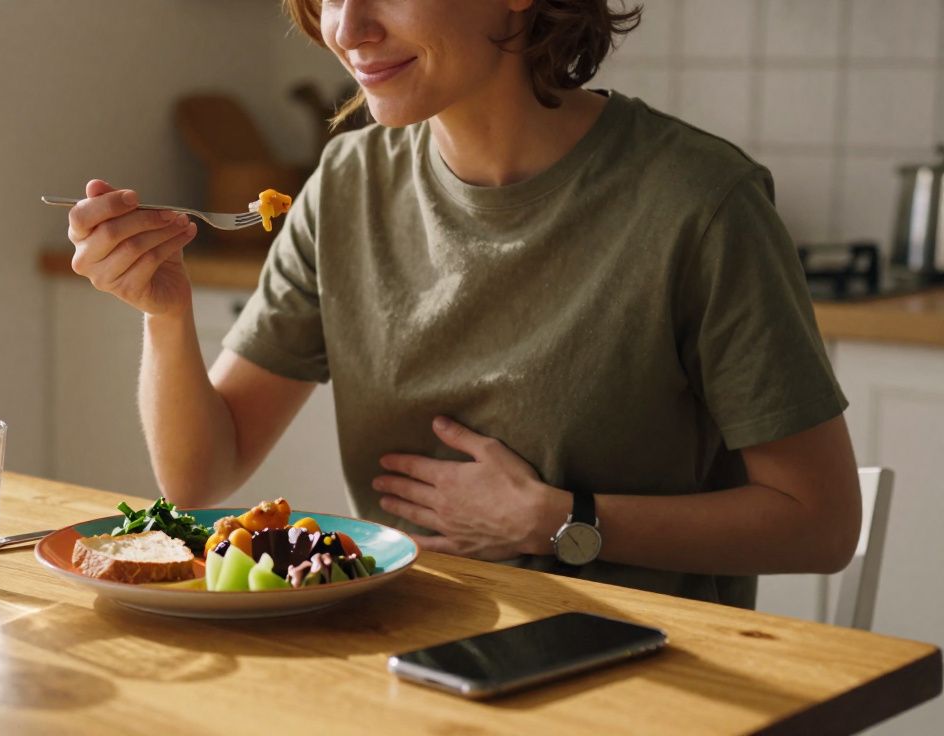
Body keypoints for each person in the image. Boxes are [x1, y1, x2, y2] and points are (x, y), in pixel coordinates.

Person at [64, 0, 861, 608]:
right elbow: (201, 474)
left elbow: (820, 522)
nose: (348, 27)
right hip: (402, 654)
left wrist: (556, 519)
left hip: (643, 679)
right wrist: (164, 313)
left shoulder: (700, 202)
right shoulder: (346, 186)